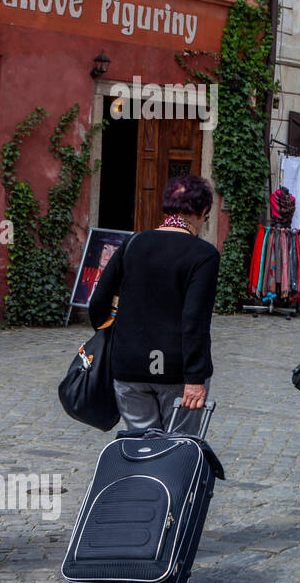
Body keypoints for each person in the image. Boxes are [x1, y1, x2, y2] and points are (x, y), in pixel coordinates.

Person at [87, 174, 220, 431]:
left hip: (130, 366)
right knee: (176, 450)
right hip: (175, 370)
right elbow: (194, 320)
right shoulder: (203, 255)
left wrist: (117, 341)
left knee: (141, 448)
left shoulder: (133, 243)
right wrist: (195, 377)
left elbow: (99, 302)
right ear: (203, 212)